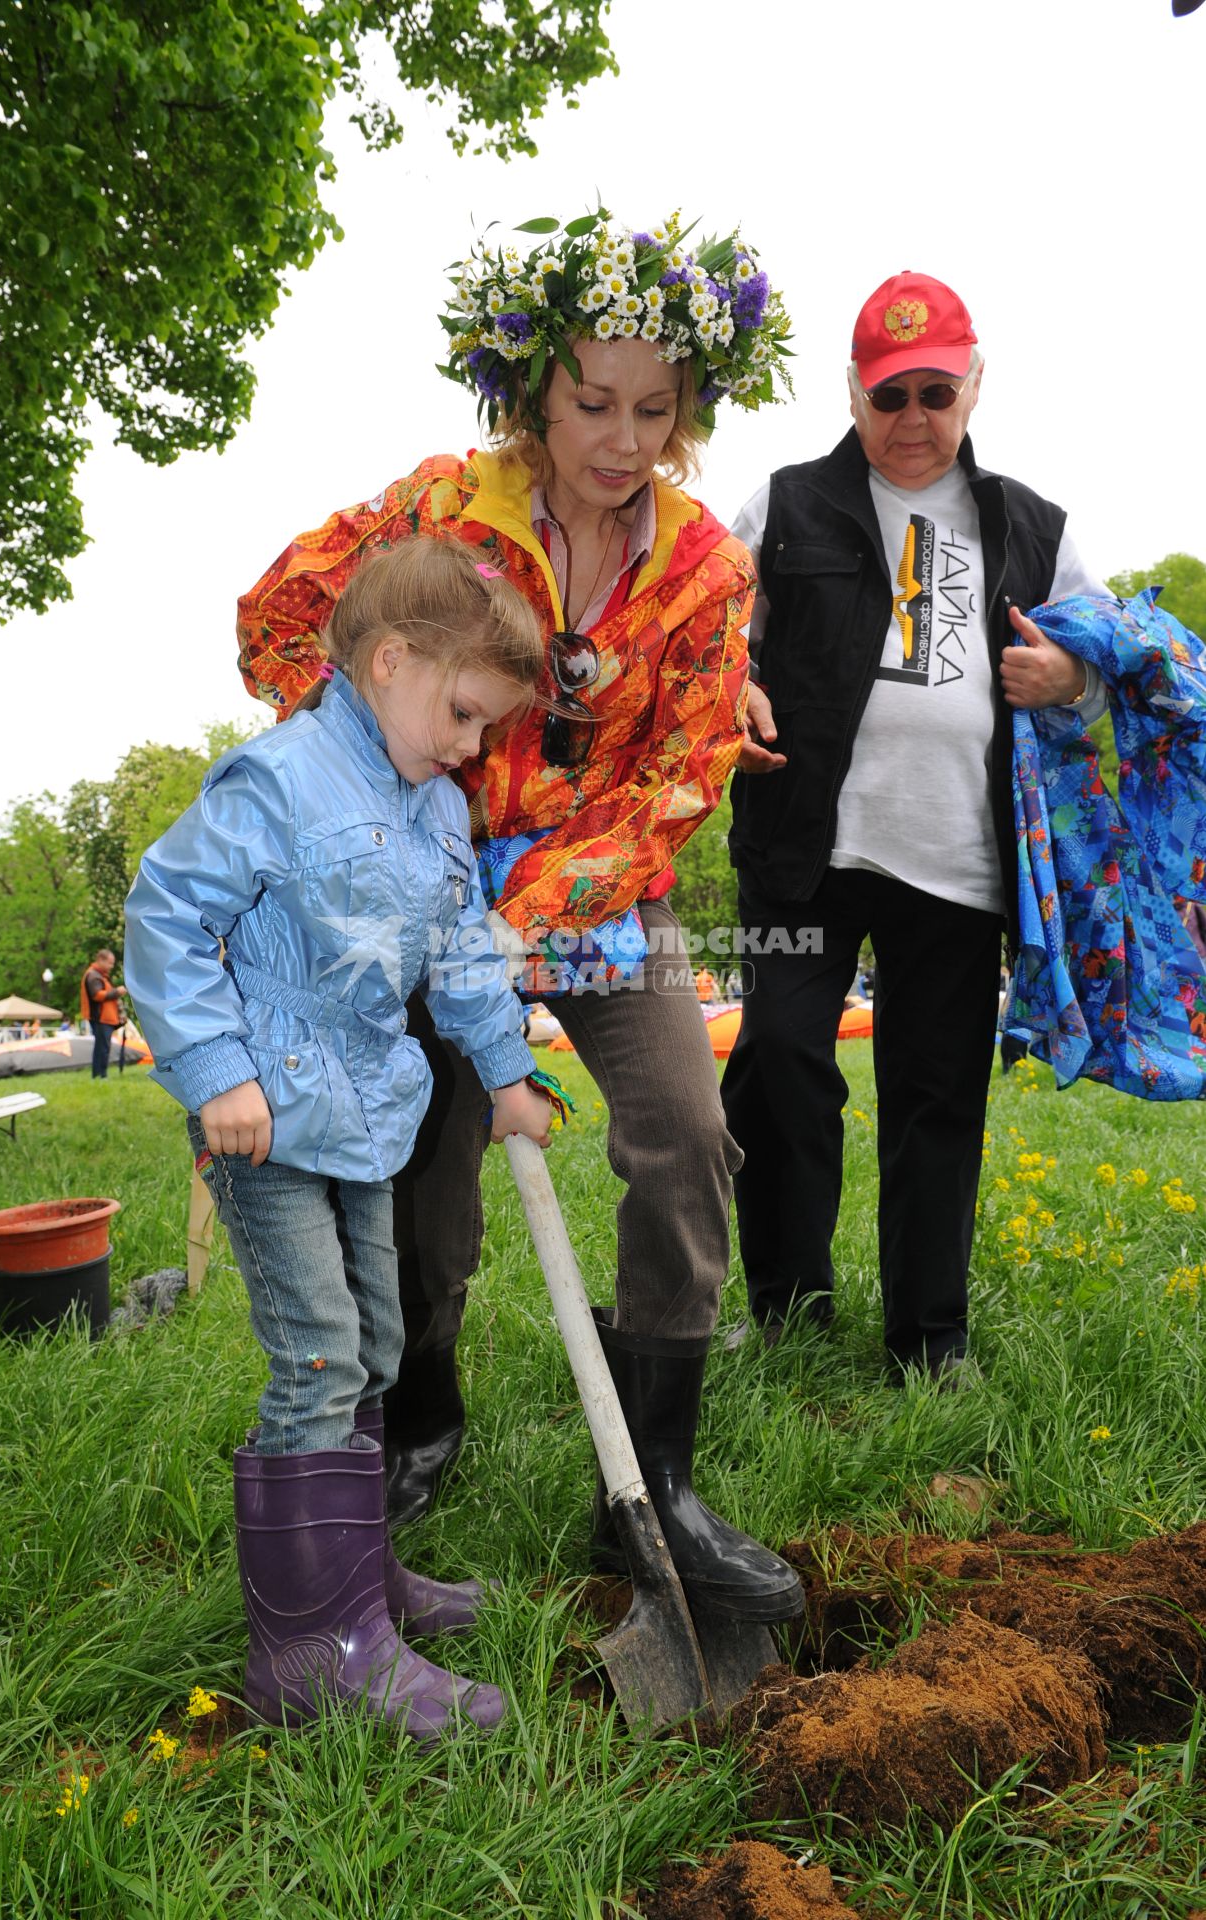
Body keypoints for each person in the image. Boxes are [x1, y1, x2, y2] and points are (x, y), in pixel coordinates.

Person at [235, 209, 807, 1628]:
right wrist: (357, 765)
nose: (619, 437)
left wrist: (536, 910)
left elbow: (683, 776)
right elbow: (279, 621)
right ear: (535, 389)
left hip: (606, 887)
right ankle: (421, 1413)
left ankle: (653, 1480)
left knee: (684, 1128)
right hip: (422, 889)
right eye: (591, 402)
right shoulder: (445, 507)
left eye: (653, 411)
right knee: (425, 1170)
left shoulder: (707, 576)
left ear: (689, 415)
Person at [125, 538, 555, 1739]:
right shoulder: (281, 778)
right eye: (464, 714)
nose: (472, 746)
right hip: (268, 1120)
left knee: (374, 1336)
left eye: (487, 728)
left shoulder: (433, 808)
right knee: (318, 1349)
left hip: (371, 1114)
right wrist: (216, 1073)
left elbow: (463, 953)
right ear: (389, 660)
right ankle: (312, 1650)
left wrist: (509, 1070)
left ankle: (357, 1583)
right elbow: (167, 914)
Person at [724, 271, 1111, 1386]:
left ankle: (927, 1339)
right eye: (889, 396)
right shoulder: (783, 503)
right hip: (804, 849)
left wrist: (1069, 673)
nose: (911, 420)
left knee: (937, 1091)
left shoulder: (1033, 526)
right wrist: (727, 690)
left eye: (934, 393)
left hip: (958, 854)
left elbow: (1114, 674)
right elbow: (702, 636)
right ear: (852, 395)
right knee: (782, 1059)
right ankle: (788, 1310)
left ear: (973, 387)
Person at [80, 949, 124, 1077]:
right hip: (100, 1018)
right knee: (102, 1048)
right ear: (100, 960)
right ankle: (101, 1075)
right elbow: (97, 995)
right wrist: (117, 992)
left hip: (104, 1018)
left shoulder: (99, 975)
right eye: (110, 963)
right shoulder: (93, 975)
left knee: (101, 1047)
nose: (111, 966)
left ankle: (98, 1075)